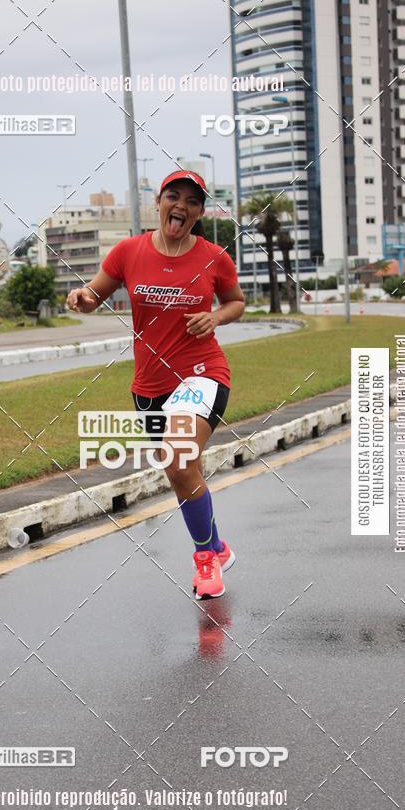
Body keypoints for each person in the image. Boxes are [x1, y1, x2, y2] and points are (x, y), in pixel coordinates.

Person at [66, 170, 245, 599]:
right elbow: (96, 294)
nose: (181, 205)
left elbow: (236, 302)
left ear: (200, 212)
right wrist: (82, 298)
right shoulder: (130, 251)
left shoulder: (214, 257)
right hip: (149, 385)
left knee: (179, 461)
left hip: (203, 374)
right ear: (159, 203)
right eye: (173, 196)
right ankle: (218, 546)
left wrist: (215, 317)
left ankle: (205, 560)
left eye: (191, 201)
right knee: (183, 473)